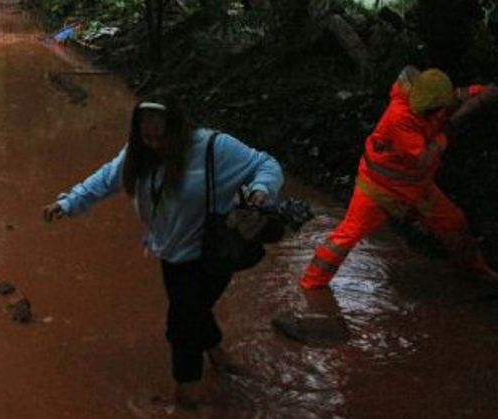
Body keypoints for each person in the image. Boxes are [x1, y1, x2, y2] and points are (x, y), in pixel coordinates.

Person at [43, 97, 283, 410]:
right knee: (192, 309)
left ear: (178, 129)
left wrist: (261, 189)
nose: (154, 144)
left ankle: (188, 398)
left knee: (181, 326)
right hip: (171, 252)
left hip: (212, 253)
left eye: (161, 137)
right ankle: (219, 356)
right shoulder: (139, 154)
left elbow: (267, 164)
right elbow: (105, 180)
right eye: (147, 137)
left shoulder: (213, 147)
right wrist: (67, 203)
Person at [300, 66, 498, 290]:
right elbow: (423, 157)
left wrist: (483, 93)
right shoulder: (399, 118)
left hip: (416, 186)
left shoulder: (435, 94)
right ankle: (311, 284)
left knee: (454, 222)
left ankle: (473, 271)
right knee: (347, 235)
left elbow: (462, 94)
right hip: (378, 189)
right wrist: (449, 129)